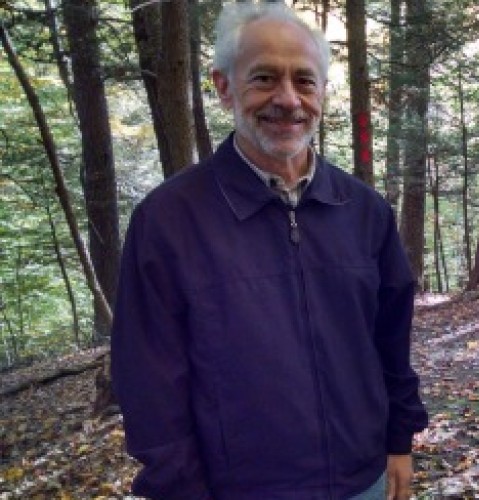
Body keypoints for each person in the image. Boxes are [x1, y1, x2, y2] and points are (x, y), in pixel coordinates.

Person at [110, 3, 428, 499]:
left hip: (364, 480)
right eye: (263, 78)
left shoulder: (364, 211)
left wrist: (398, 440)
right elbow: (149, 385)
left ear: (323, 92)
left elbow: (391, 343)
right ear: (223, 87)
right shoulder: (169, 222)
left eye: (304, 81)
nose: (287, 99)